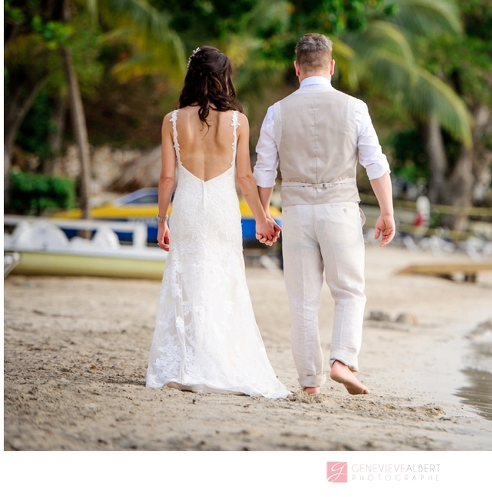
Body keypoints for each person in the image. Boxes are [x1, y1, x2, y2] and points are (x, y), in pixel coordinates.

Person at [254, 33, 395, 395]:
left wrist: (263, 217)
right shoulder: (354, 107)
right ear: (331, 67)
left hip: (297, 211)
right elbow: (375, 164)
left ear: (297, 68)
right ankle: (342, 361)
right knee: (349, 291)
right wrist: (387, 212)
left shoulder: (277, 112)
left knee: (302, 301)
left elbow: (264, 172)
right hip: (341, 209)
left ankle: (308, 384)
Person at [146, 46, 289, 398]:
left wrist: (162, 219)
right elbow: (244, 177)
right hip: (223, 210)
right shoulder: (238, 121)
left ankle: (189, 363)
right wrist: (262, 217)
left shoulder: (172, 120)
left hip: (190, 208)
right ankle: (220, 363)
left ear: (192, 75)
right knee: (225, 283)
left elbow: (167, 178)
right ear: (224, 78)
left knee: (189, 281)